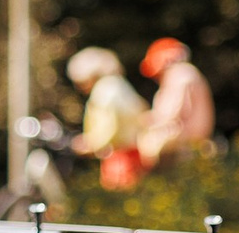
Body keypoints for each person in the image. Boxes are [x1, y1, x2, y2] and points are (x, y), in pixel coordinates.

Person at [67, 46, 149, 191]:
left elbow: (109, 125)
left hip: (120, 157)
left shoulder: (104, 90)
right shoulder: (120, 84)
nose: (80, 88)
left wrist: (91, 144)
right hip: (134, 152)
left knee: (118, 202)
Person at [137, 37, 216, 171]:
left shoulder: (180, 75)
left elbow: (170, 114)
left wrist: (145, 121)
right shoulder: (187, 73)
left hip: (183, 149)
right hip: (192, 146)